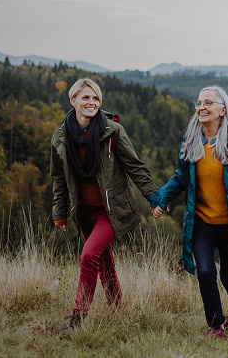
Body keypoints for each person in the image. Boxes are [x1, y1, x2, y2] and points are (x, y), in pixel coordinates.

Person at [150, 86, 228, 338]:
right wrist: (162, 198)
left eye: (208, 102)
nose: (202, 107)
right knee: (206, 271)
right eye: (199, 102)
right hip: (202, 221)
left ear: (222, 110)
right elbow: (180, 177)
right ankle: (216, 325)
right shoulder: (191, 141)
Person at [50, 77, 158, 336]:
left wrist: (154, 197)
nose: (91, 102)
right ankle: (118, 309)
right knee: (104, 262)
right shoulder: (61, 137)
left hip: (110, 211)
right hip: (83, 212)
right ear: (73, 100)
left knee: (88, 256)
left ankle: (78, 320)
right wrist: (60, 212)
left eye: (96, 98)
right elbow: (59, 178)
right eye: (85, 97)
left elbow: (135, 166)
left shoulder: (112, 132)